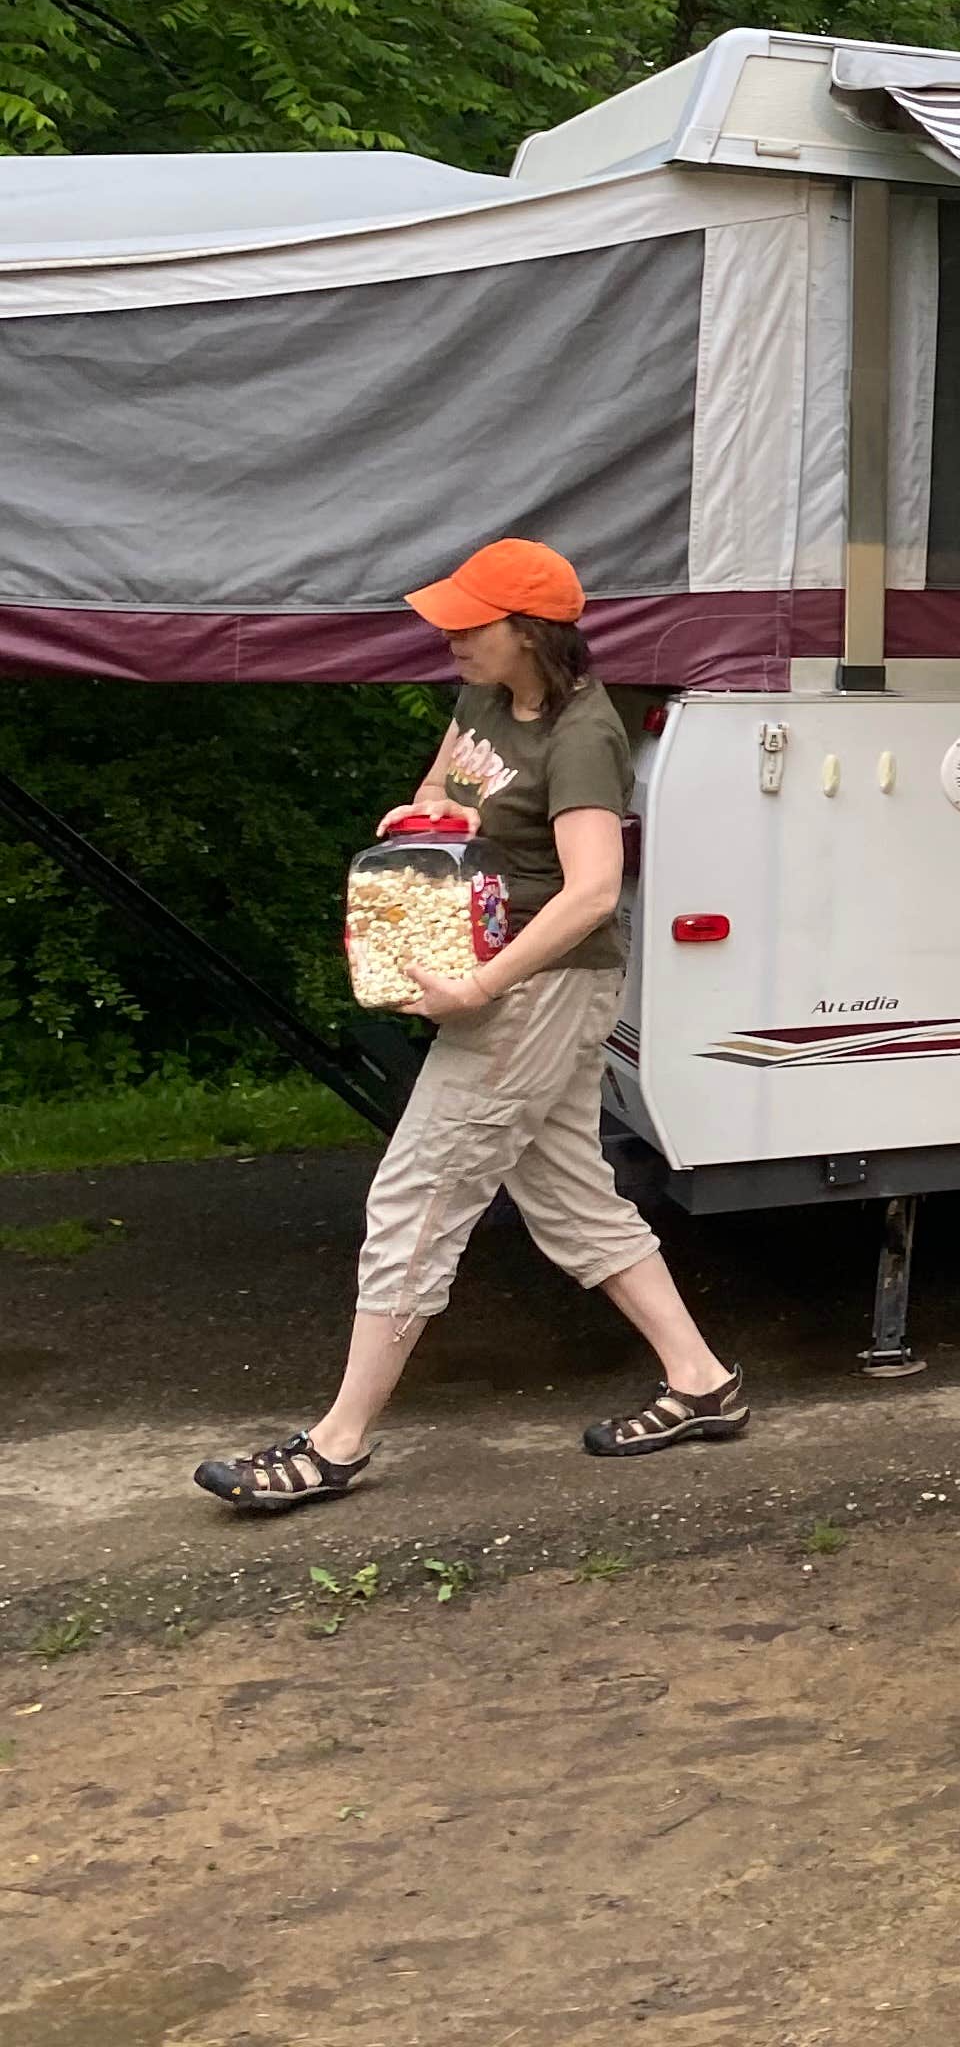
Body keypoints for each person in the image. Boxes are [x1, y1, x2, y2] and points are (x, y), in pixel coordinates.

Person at [195, 538, 747, 1512]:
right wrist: (420, 823)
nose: (447, 635)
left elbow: (593, 891)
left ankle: (337, 1444)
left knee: (418, 1196)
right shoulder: (484, 699)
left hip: (538, 987)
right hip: (506, 978)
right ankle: (702, 1383)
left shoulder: (583, 733)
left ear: (527, 631)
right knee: (569, 1196)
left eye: (468, 622)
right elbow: (443, 794)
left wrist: (481, 985)